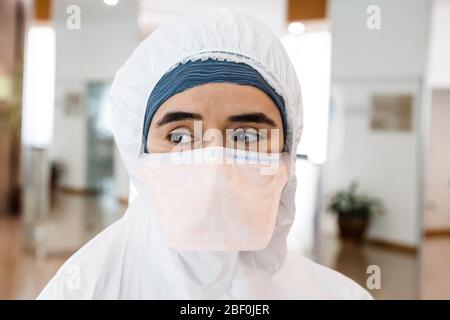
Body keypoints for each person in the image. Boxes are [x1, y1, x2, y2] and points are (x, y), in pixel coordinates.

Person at [37, 9, 372, 300]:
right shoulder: (86, 287)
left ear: (287, 150)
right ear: (139, 155)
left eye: (247, 135)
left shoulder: (334, 295)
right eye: (180, 136)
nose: (215, 165)